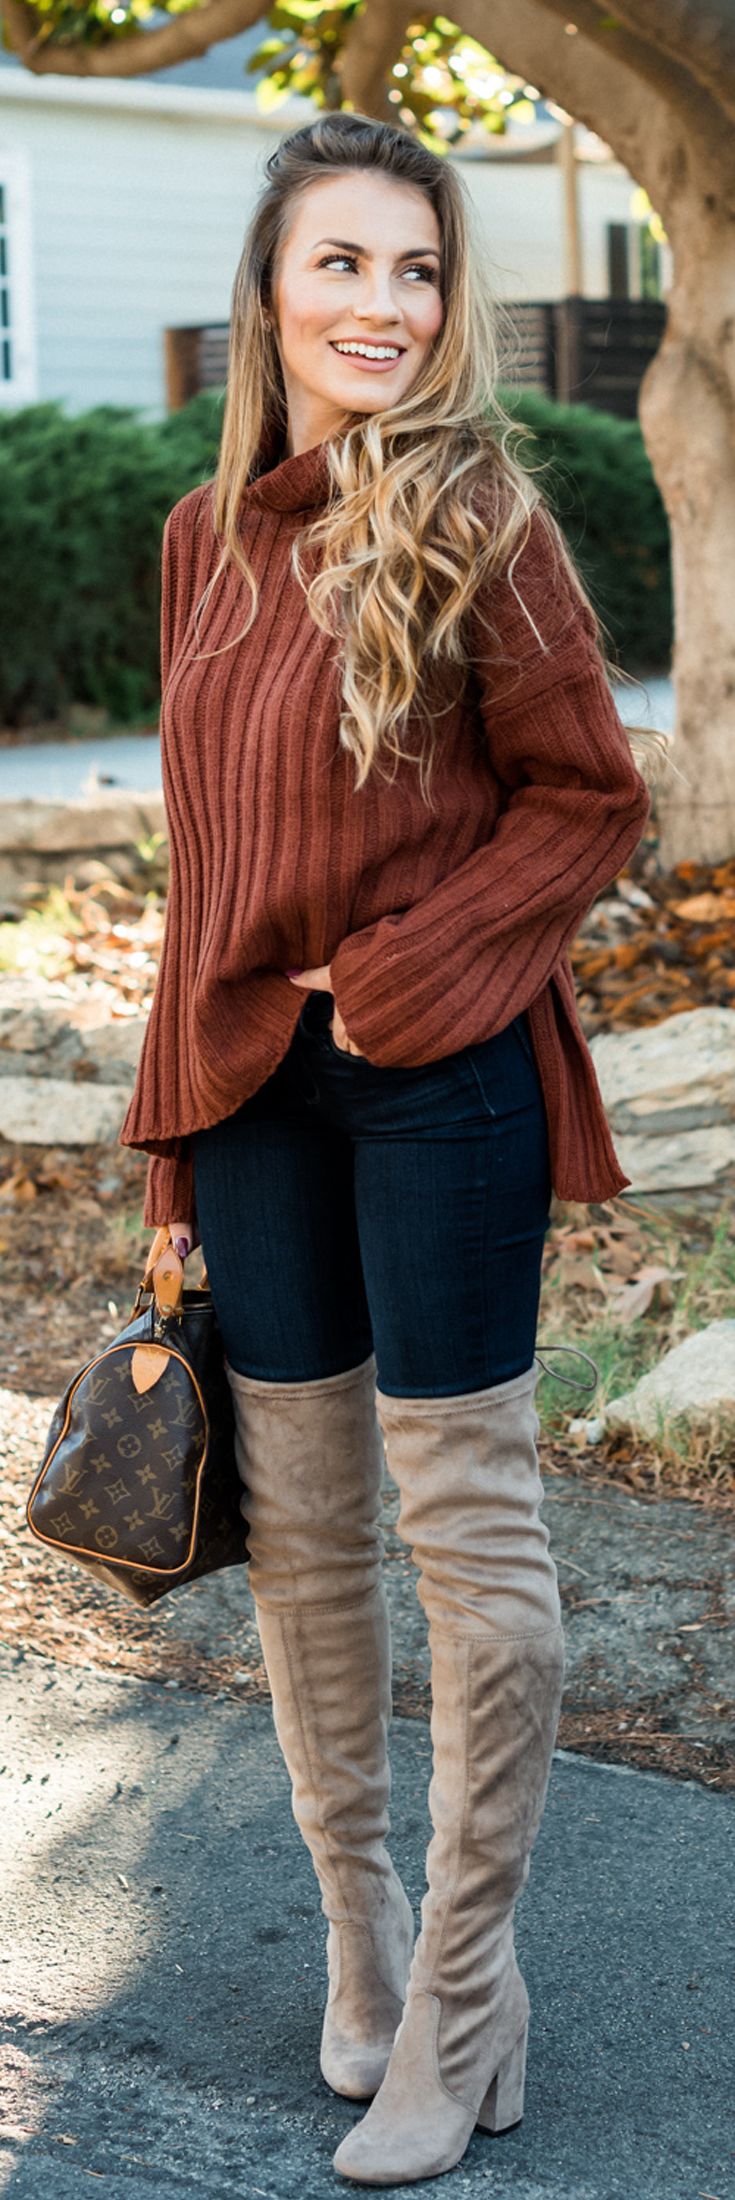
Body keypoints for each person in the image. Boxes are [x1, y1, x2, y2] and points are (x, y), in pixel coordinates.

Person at [118, 111, 653, 2185]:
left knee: (471, 1549)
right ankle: (358, 1948)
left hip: (437, 1084)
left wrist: (419, 970)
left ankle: (457, 1992)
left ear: (447, 305)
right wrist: (171, 1150)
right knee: (309, 1538)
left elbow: (586, 795)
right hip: (244, 1090)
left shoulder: (484, 518)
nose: (378, 305)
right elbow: (204, 862)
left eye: (413, 271)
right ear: (270, 289)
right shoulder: (201, 540)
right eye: (340, 263)